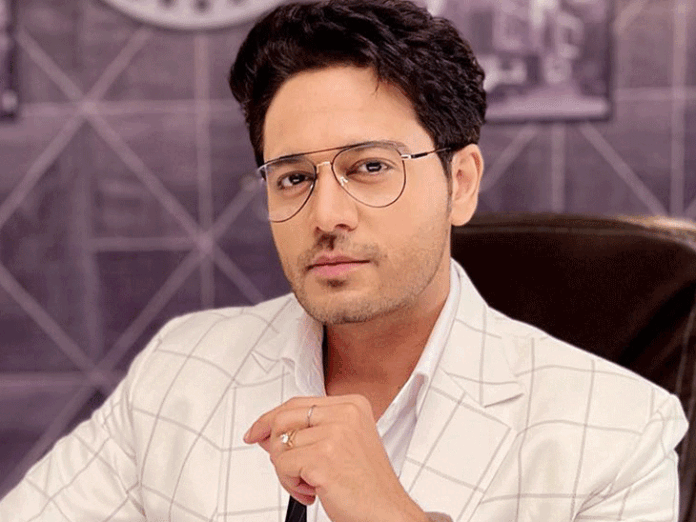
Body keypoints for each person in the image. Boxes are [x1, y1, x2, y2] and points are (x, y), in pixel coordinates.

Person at [0, 1, 688, 521]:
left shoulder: (616, 431)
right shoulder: (180, 370)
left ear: (460, 183)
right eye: (294, 177)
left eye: (369, 167)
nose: (326, 215)